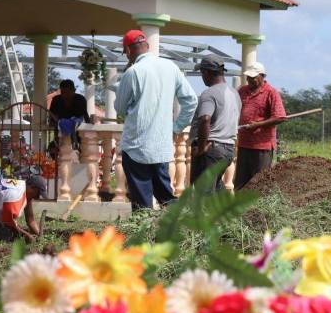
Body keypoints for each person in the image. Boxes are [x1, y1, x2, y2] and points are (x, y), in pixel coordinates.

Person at [114, 29, 197, 209]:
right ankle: (177, 231)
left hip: (137, 147)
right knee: (166, 197)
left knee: (142, 204)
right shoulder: (171, 67)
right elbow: (191, 100)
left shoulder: (133, 72)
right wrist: (176, 128)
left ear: (128, 51)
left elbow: (119, 109)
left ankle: (145, 234)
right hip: (161, 146)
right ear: (147, 45)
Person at [189, 55, 242, 190]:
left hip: (211, 150)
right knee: (216, 189)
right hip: (228, 149)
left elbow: (205, 119)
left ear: (206, 72)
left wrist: (201, 148)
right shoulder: (234, 93)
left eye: (201, 72)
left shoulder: (209, 93)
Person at [234, 62, 287, 190]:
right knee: (241, 181)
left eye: (253, 77)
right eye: (248, 77)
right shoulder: (242, 91)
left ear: (262, 76)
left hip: (262, 147)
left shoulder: (271, 93)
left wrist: (259, 124)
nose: (249, 80)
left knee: (259, 183)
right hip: (244, 144)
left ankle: (256, 209)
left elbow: (280, 117)